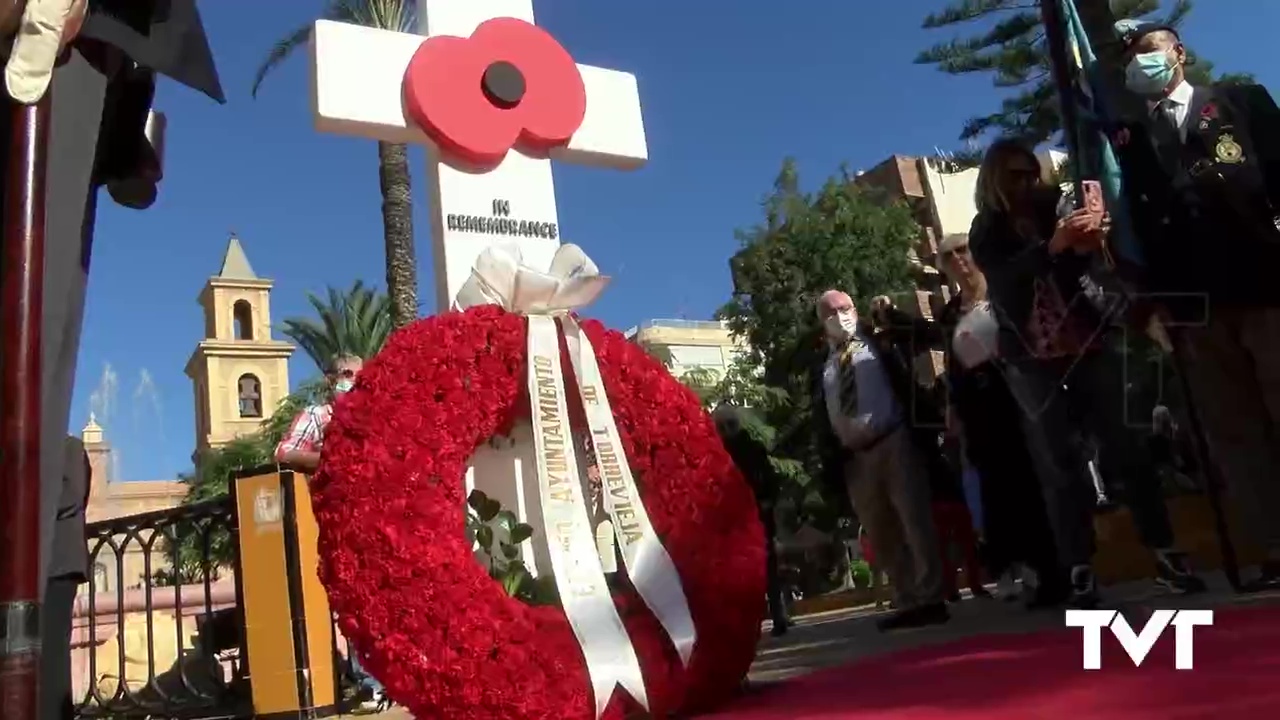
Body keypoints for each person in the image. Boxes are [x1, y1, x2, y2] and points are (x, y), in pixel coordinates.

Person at [968, 139, 1204, 608]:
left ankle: (1163, 550)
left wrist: (1089, 236)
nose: (1025, 183)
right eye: (1014, 175)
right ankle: (1079, 567)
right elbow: (1005, 278)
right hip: (1032, 355)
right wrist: (1051, 245)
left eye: (1030, 173)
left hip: (1086, 337)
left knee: (1127, 448)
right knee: (1060, 465)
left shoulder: (1051, 208)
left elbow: (1084, 264)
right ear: (994, 179)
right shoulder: (986, 229)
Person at [1113, 21, 1280, 592]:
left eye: (1147, 48)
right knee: (1233, 433)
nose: (1138, 60)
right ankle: (1274, 546)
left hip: (1263, 283)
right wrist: (1148, 307)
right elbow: (1134, 228)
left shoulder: (1238, 102)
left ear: (1178, 52)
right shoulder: (1127, 143)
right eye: (1129, 55)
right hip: (1191, 308)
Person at [934, 232, 1065, 607]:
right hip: (978, 406)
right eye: (948, 256)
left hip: (1019, 393)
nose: (958, 259)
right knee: (995, 486)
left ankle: (1052, 564)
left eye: (962, 251)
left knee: (1033, 476)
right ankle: (1014, 566)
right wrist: (953, 406)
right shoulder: (949, 312)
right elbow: (952, 363)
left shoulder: (1000, 291)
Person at [813, 290, 947, 630]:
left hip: (894, 439)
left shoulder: (879, 340)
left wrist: (891, 316)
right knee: (881, 532)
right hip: (855, 457)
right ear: (821, 321)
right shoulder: (824, 363)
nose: (840, 315)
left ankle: (931, 598)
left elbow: (929, 337)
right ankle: (906, 598)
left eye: (844, 308)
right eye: (831, 312)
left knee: (914, 520)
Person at [273, 353, 386, 710]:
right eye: (346, 374)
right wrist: (333, 457)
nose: (352, 380)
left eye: (358, 375)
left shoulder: (376, 417)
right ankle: (369, 683)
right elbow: (285, 453)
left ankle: (392, 680)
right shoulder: (316, 416)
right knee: (355, 603)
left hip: (380, 520)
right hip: (338, 521)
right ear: (329, 379)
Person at [712, 403, 789, 635]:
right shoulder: (717, 455)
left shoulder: (753, 449)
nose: (726, 430)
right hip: (734, 521)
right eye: (721, 426)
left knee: (769, 568)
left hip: (757, 516)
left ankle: (779, 616)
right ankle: (752, 623)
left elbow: (770, 481)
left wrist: (766, 502)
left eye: (730, 424)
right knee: (742, 574)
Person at [41, 437, 92, 720]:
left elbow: (61, 501)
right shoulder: (73, 450)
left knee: (50, 656)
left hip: (54, 566)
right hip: (60, 564)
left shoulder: (64, 450)